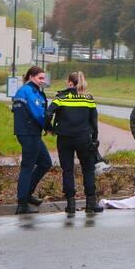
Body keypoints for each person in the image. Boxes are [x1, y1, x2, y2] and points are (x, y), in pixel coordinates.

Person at [45, 71, 102, 216]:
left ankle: (70, 204)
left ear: (69, 82)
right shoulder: (88, 99)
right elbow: (94, 120)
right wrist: (94, 139)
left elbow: (48, 114)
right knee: (88, 170)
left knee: (68, 170)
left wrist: (50, 128)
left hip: (64, 138)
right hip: (84, 138)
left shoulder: (61, 97)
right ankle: (90, 203)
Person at [11, 66, 52, 214]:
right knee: (27, 166)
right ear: (31, 77)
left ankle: (27, 194)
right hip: (29, 133)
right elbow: (38, 114)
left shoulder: (25, 90)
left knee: (45, 162)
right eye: (40, 78)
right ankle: (22, 203)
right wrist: (49, 127)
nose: (42, 81)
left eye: (43, 78)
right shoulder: (29, 91)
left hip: (29, 132)